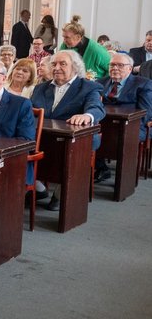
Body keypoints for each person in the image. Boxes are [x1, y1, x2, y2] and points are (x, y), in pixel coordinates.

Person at [30, 50, 105, 209]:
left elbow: (97, 108)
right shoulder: (40, 88)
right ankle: (39, 188)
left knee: (69, 156)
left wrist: (87, 116)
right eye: (54, 64)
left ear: (75, 67)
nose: (56, 67)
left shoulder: (89, 87)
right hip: (44, 137)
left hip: (74, 140)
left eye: (62, 64)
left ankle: (61, 190)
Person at [94, 53, 152, 182]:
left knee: (118, 138)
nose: (115, 68)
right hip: (104, 124)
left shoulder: (143, 84)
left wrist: (133, 126)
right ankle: (101, 168)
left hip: (133, 126)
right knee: (89, 136)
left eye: (120, 65)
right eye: (112, 65)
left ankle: (125, 178)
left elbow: (146, 111)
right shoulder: (100, 82)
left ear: (130, 69)